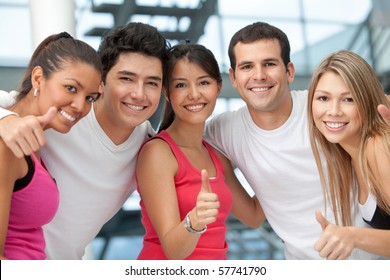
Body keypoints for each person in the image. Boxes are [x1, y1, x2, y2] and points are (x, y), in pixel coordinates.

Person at [203, 21, 384, 259]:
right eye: (247, 66)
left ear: (289, 71)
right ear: (233, 77)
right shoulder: (222, 131)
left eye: (269, 63)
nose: (259, 75)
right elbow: (254, 216)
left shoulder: (323, 106)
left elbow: (376, 106)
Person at [0, 22, 170, 259]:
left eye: (152, 82)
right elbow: (18, 102)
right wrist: (5, 119)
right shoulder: (64, 113)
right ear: (102, 81)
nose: (139, 94)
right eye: (126, 78)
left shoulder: (150, 150)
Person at [136, 42, 263, 260]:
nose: (194, 94)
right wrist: (194, 220)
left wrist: (280, 167)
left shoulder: (215, 155)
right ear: (167, 92)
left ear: (218, 87)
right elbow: (174, 252)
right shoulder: (158, 153)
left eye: (203, 82)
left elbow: (253, 216)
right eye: (181, 85)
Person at [0, 32, 103, 259]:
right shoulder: (7, 144)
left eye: (90, 98)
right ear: (38, 79)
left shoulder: (35, 142)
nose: (80, 106)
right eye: (71, 88)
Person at [307, 50, 390, 259]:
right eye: (323, 98)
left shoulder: (377, 146)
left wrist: (352, 236)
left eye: (348, 99)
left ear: (366, 101)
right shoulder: (349, 155)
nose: (333, 111)